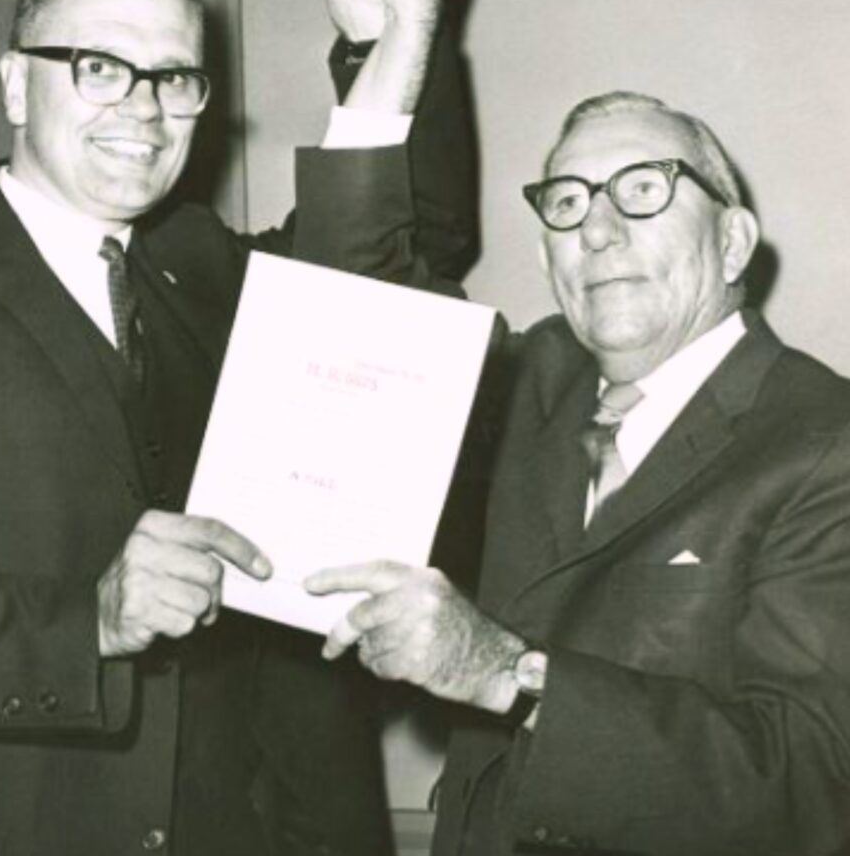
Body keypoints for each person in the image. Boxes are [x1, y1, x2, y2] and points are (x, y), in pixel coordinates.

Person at [0, 0, 468, 856]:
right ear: (12, 83)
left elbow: (383, 256)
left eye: (174, 78)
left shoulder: (197, 267)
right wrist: (84, 620)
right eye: (97, 66)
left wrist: (391, 35)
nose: (144, 109)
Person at [307, 90, 850, 856]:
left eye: (642, 189)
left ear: (732, 242)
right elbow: (356, 307)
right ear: (547, 261)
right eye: (567, 202)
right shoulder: (531, 375)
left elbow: (809, 781)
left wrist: (507, 675)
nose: (597, 229)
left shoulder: (826, 441)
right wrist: (381, 47)